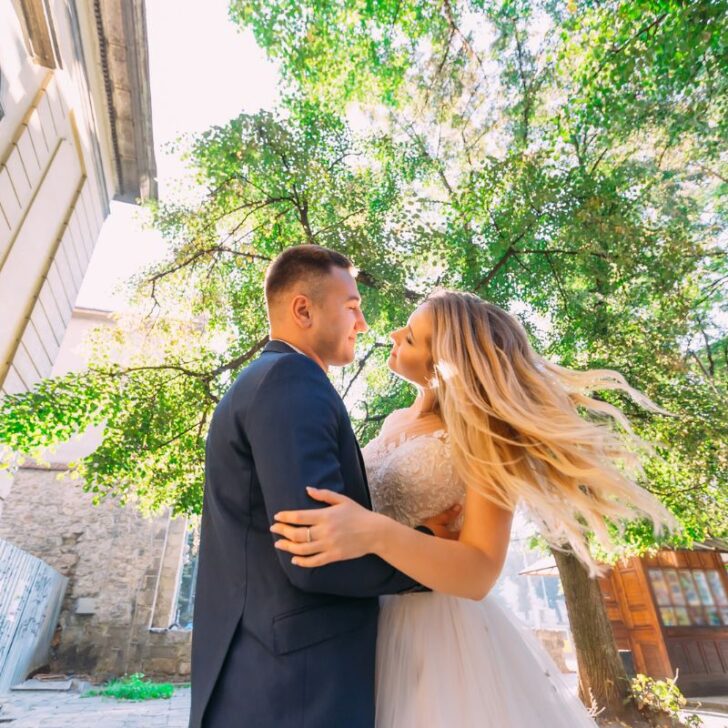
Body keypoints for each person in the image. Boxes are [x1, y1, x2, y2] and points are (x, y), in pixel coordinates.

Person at [271, 289, 674, 727]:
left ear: (444, 360)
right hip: (366, 619)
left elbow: (481, 571)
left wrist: (374, 531)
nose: (393, 332)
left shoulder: (486, 436)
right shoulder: (393, 422)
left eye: (411, 336)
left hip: (439, 636)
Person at [189, 245, 459, 728]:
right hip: (295, 689)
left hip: (274, 678)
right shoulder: (291, 381)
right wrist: (432, 554)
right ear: (303, 309)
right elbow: (314, 554)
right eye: (352, 306)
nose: (363, 323)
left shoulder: (269, 380)